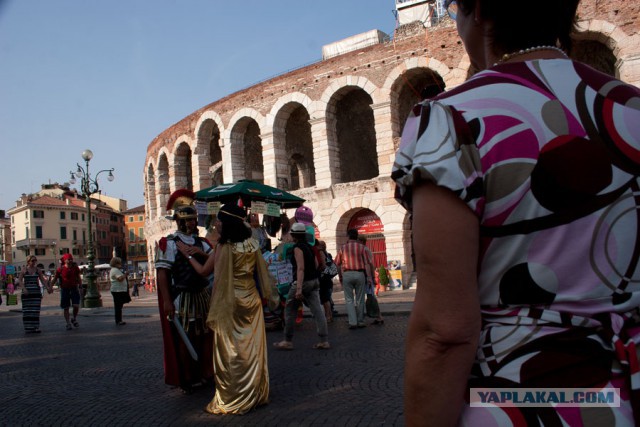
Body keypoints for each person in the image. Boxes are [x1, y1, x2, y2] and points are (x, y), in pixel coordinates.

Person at [392, 0, 640, 425]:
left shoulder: (451, 119)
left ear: (480, 12)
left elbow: (444, 331)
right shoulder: (629, 109)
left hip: (522, 396)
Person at [178, 203, 274, 414]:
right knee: (252, 348)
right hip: (252, 300)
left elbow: (207, 272)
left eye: (219, 221)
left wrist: (189, 256)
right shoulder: (252, 245)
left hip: (232, 302)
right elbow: (261, 272)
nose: (217, 225)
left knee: (230, 350)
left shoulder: (224, 247)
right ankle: (256, 392)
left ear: (227, 223)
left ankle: (234, 396)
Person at [155, 189, 214, 394]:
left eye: (193, 219)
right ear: (179, 221)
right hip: (183, 297)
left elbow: (215, 263)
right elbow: (162, 273)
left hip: (203, 295)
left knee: (206, 335)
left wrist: (199, 253)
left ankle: (207, 372)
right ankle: (187, 376)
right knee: (185, 338)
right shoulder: (169, 243)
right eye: (187, 220)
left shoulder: (202, 243)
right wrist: (167, 301)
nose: (191, 223)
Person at [274, 222, 330, 350]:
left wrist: (298, 288)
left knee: (289, 309)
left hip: (303, 283)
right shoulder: (310, 247)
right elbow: (316, 264)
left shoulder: (297, 248)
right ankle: (324, 340)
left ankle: (287, 340)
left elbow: (300, 268)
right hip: (314, 281)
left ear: (293, 235)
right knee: (317, 311)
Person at [334, 229, 373, 329]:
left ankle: (352, 322)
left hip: (347, 274)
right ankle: (360, 321)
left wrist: (340, 276)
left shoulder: (343, 248)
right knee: (360, 299)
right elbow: (367, 264)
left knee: (349, 300)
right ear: (357, 236)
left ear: (348, 236)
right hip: (360, 274)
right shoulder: (362, 248)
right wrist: (369, 277)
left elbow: (337, 264)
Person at [18, 255, 52, 333]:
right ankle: (27, 327)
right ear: (28, 261)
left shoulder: (38, 270)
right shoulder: (24, 270)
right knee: (27, 311)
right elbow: (19, 280)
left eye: (35, 260)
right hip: (26, 292)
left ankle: (35, 327)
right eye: (32, 261)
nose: (34, 262)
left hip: (36, 292)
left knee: (35, 310)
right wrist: (24, 288)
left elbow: (43, 280)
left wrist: (47, 287)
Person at [357, 235, 383, 325]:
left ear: (361, 241)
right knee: (369, 296)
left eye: (357, 241)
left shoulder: (365, 250)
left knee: (371, 296)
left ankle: (379, 316)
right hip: (366, 276)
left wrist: (372, 277)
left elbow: (370, 264)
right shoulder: (364, 249)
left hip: (367, 277)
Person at [51, 253, 82, 331]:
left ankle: (74, 318)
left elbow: (78, 277)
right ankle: (68, 323)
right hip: (65, 289)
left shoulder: (75, 268)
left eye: (71, 259)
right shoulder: (60, 269)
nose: (70, 260)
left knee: (76, 305)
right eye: (69, 259)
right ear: (65, 260)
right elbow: (55, 278)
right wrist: (50, 286)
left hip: (74, 288)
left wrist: (80, 286)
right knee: (66, 307)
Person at [109, 257, 129, 326]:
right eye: (119, 263)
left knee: (119, 306)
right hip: (117, 290)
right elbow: (120, 279)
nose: (121, 264)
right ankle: (118, 320)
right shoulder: (115, 270)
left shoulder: (116, 270)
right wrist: (125, 274)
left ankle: (119, 320)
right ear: (116, 263)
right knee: (118, 306)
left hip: (119, 290)